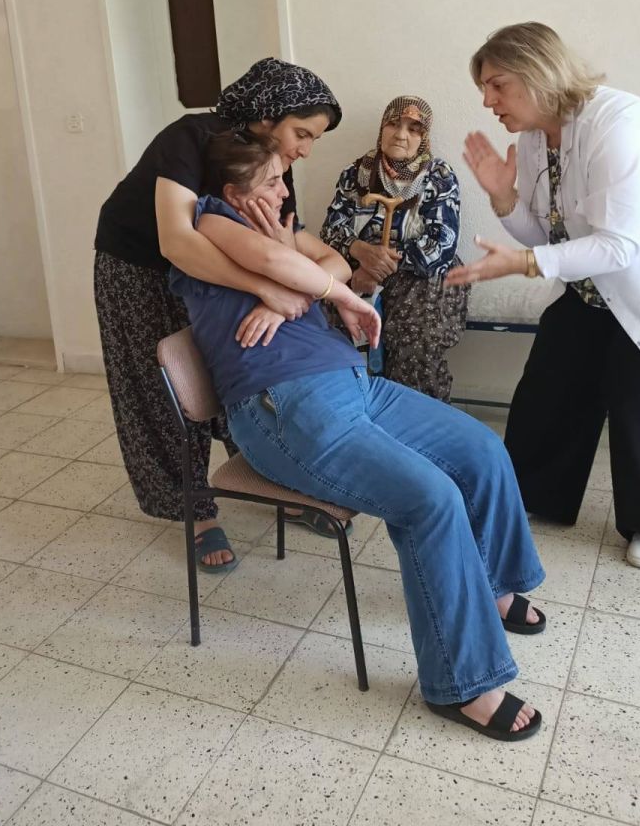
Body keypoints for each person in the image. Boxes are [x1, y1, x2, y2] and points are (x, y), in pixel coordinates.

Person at [170, 129, 548, 741]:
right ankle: (464, 684)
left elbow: (336, 261)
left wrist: (293, 288)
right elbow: (283, 265)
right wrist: (303, 283)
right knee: (430, 499)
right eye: (272, 181)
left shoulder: (278, 229)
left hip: (354, 383)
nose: (284, 190)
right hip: (285, 406)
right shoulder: (211, 221)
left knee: (480, 450)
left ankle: (495, 588)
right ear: (235, 193)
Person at [447, 22, 640, 568]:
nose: (487, 101)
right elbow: (549, 237)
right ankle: (536, 494)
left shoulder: (619, 124)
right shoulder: (537, 138)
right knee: (549, 386)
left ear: (538, 73)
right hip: (596, 287)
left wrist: (523, 264)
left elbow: (617, 246)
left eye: (498, 85)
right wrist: (503, 198)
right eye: (483, 88)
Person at [94, 57, 344, 573]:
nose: (305, 150)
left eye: (313, 140)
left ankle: (268, 480)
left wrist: (283, 290)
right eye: (302, 133)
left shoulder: (275, 167)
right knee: (166, 388)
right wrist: (265, 288)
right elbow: (177, 242)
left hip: (217, 269)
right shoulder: (190, 137)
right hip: (139, 266)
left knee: (236, 370)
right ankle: (197, 512)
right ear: (268, 114)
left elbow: (286, 244)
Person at [320, 95, 469, 399]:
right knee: (330, 329)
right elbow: (331, 230)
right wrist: (360, 252)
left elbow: (442, 243)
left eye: (414, 129)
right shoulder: (355, 174)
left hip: (420, 273)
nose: (401, 135)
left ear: (423, 137)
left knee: (415, 341)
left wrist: (379, 268)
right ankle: (353, 412)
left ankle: (416, 417)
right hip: (357, 268)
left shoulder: (438, 176)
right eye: (394, 124)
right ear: (382, 128)